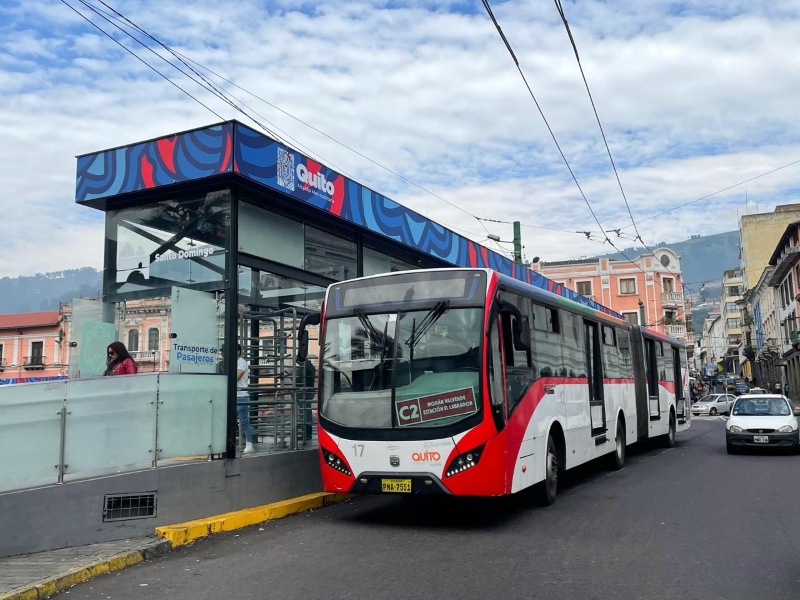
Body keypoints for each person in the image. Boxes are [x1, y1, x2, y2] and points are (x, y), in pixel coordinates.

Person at [237, 344, 254, 454]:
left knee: (244, 422)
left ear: (238, 351)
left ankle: (249, 444)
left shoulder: (242, 362)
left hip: (241, 396)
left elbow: (236, 376)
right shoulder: (234, 362)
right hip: (233, 395)